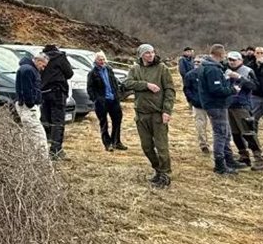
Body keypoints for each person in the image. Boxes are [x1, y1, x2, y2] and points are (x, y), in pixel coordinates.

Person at [120, 44, 175, 187]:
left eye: (152, 52)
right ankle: (157, 169)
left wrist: (167, 111)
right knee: (147, 146)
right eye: (147, 53)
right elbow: (127, 83)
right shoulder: (135, 68)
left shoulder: (162, 68)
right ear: (141, 55)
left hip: (157, 114)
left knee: (161, 146)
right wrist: (146, 85)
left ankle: (165, 174)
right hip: (141, 114)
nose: (150, 55)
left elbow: (170, 91)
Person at [196, 44, 237, 175]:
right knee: (220, 134)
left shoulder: (209, 67)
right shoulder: (212, 69)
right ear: (220, 54)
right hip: (216, 105)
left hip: (216, 104)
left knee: (224, 133)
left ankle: (228, 160)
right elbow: (216, 89)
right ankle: (220, 165)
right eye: (224, 55)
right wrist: (232, 90)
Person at [226, 51, 263, 170]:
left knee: (248, 133)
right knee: (235, 134)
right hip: (229, 106)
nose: (231, 62)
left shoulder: (247, 71)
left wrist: (239, 78)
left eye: (234, 60)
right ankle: (244, 156)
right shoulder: (226, 71)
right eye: (229, 60)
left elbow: (254, 86)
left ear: (240, 60)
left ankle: (259, 160)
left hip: (243, 106)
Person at [86, 51, 126, 151]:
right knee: (104, 123)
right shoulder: (92, 73)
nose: (102, 61)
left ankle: (116, 141)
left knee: (117, 120)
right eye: (100, 60)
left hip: (113, 100)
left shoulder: (109, 69)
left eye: (103, 59)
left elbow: (114, 82)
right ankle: (107, 144)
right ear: (96, 61)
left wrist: (117, 94)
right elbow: (89, 88)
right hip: (101, 102)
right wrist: (95, 99)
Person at [39, 45, 74, 159]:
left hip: (44, 92)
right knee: (58, 121)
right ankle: (56, 150)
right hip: (58, 92)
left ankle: (42, 148)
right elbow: (69, 74)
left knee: (45, 120)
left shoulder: (41, 58)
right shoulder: (60, 57)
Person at [178, 46, 210, 153]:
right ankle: (203, 144)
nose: (196, 63)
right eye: (195, 62)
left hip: (211, 103)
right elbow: (187, 89)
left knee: (215, 125)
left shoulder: (210, 73)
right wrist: (192, 100)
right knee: (200, 124)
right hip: (198, 103)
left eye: (199, 62)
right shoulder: (189, 75)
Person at [15, 53, 49, 154]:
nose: (43, 69)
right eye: (43, 66)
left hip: (28, 107)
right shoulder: (28, 70)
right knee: (39, 137)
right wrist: (31, 104)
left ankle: (30, 159)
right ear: (38, 61)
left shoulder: (27, 69)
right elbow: (27, 90)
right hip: (28, 108)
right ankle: (43, 163)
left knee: (29, 137)